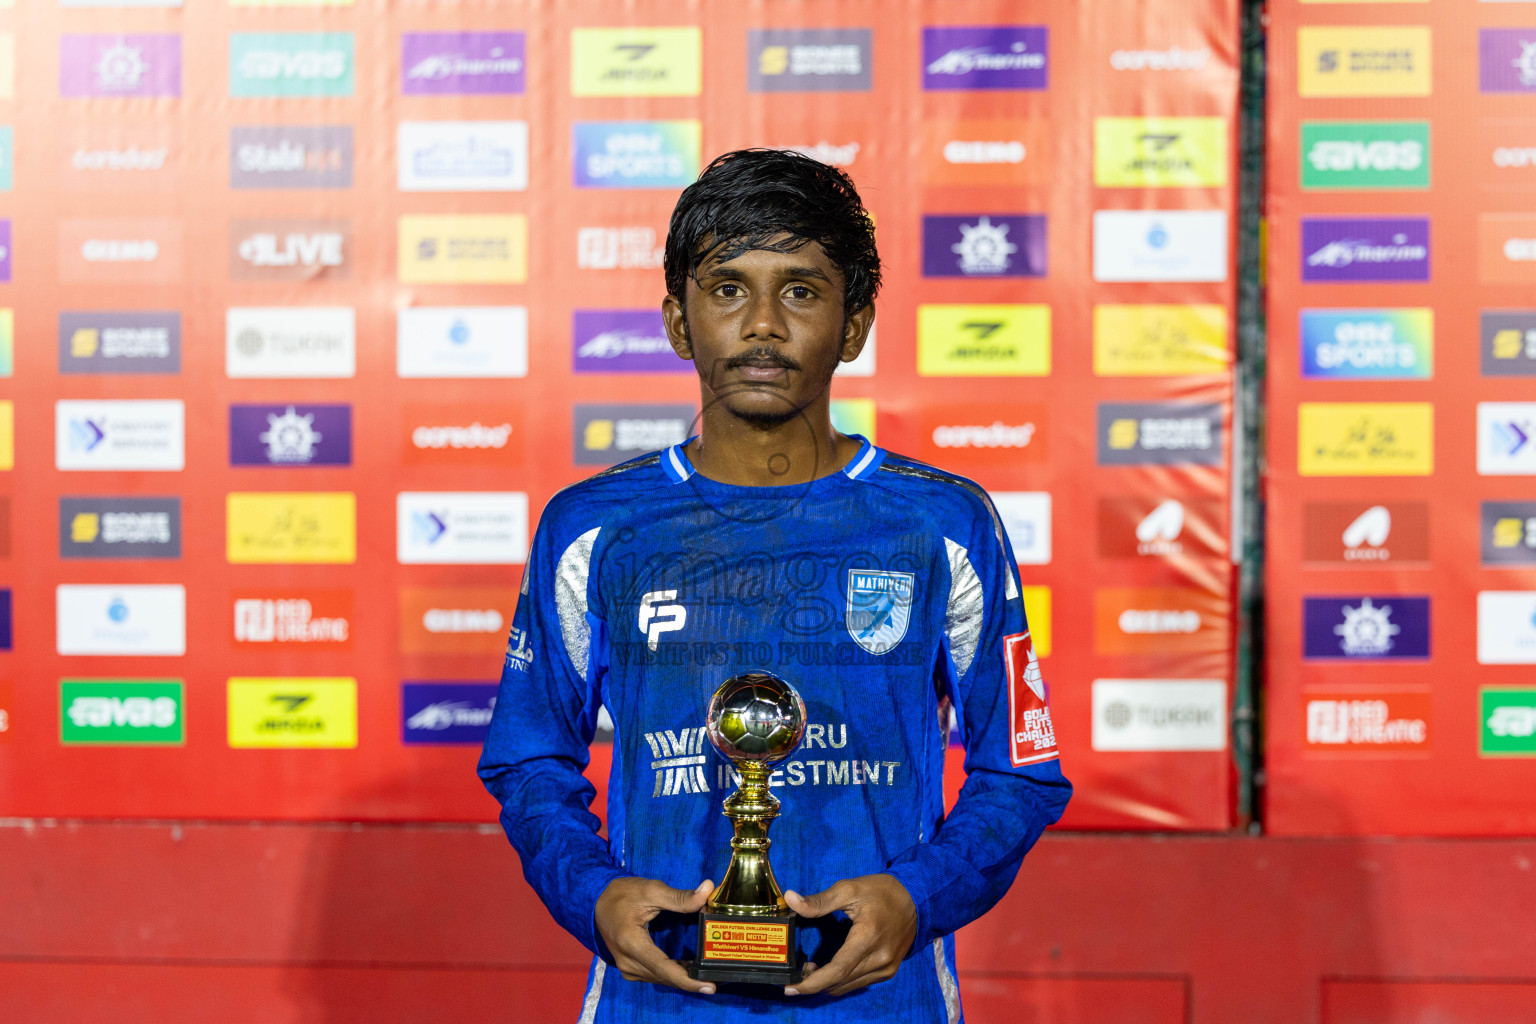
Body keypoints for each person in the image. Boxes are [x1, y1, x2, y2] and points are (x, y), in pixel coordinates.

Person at [478, 148, 1071, 1023]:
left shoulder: (941, 525)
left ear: (855, 324)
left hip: (879, 1004)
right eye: (727, 290)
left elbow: (1019, 769)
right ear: (680, 322)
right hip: (658, 1004)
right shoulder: (595, 529)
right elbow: (530, 758)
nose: (762, 325)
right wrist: (592, 895)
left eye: (800, 291)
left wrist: (918, 900)